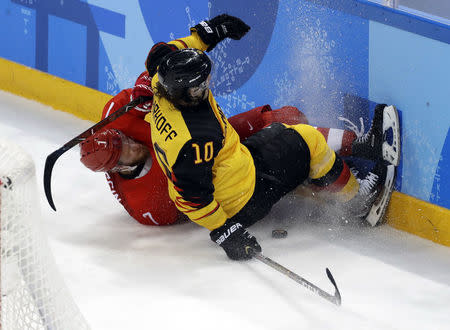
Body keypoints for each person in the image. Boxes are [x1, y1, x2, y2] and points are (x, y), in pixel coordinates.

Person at [143, 14, 400, 260]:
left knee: (283, 129)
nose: (206, 87)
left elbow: (162, 51)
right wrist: (225, 232)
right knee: (308, 140)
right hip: (244, 199)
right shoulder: (195, 139)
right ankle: (358, 203)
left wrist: (208, 33)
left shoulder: (160, 79)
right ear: (184, 92)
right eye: (200, 86)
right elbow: (192, 200)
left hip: (239, 164)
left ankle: (357, 149)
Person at [80, 69, 378, 226]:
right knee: (293, 142)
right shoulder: (147, 205)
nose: (132, 143)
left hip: (208, 136)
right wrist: (225, 230)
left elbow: (153, 76)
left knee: (288, 117)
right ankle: (350, 187)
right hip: (223, 172)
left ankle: (342, 159)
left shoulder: (113, 118)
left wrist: (145, 86)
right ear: (119, 167)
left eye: (126, 138)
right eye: (127, 150)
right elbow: (193, 207)